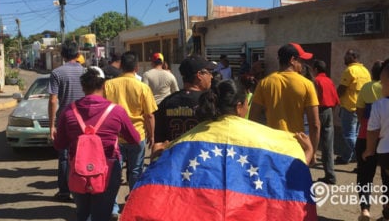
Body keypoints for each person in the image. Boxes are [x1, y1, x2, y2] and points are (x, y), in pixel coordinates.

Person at [121, 80, 317, 221]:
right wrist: (307, 152)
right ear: (240, 106)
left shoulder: (184, 141)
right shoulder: (273, 141)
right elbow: (286, 181)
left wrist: (157, 160)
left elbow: (158, 191)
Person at [53, 67, 140, 221]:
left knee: (83, 213)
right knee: (103, 213)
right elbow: (134, 139)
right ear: (104, 85)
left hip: (77, 169)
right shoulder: (116, 111)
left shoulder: (69, 112)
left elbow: (60, 145)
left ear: (83, 87)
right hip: (109, 168)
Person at [249, 43, 320, 160]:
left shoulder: (265, 83)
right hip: (296, 146)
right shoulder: (307, 84)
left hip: (272, 146)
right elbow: (315, 125)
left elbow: (253, 119)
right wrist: (312, 151)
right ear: (292, 60)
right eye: (301, 60)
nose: (302, 64)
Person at [104, 51, 158, 192]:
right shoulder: (143, 87)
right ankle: (132, 203)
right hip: (137, 134)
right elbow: (149, 115)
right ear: (137, 68)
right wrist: (152, 136)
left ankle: (113, 207)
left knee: (114, 171)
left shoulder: (108, 85)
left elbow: (103, 110)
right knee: (136, 170)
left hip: (115, 136)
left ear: (121, 66)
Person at [48, 40, 85, 201]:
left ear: (62, 55)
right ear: (77, 54)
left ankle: (64, 191)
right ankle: (83, 188)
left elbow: (52, 100)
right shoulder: (86, 72)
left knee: (64, 157)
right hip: (84, 122)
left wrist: (51, 126)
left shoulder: (57, 73)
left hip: (64, 121)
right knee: (82, 155)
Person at [154, 54, 216, 144]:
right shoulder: (210, 101)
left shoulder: (167, 102)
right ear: (199, 75)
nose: (211, 76)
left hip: (175, 155)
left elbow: (159, 140)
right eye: (209, 72)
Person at [356, 60, 384, 220]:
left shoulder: (366, 87)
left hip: (365, 136)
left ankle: (365, 209)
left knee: (365, 175)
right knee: (386, 177)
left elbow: (359, 111)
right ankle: (386, 211)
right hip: (385, 137)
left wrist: (364, 123)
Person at [363, 63, 389, 221]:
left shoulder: (379, 105)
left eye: (383, 83)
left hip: (386, 152)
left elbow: (372, 131)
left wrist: (369, 150)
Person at [336, 49, 371, 164]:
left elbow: (342, 88)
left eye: (347, 55)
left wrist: (335, 98)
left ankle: (360, 156)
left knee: (349, 135)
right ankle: (346, 157)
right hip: (361, 106)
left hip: (349, 106)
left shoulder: (350, 70)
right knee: (355, 134)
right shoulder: (365, 71)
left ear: (353, 57)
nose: (344, 57)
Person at [312, 60, 340, 184]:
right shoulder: (329, 81)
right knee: (328, 144)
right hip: (329, 111)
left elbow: (313, 100)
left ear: (316, 69)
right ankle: (330, 174)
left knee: (313, 140)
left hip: (319, 110)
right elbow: (336, 100)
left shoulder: (316, 81)